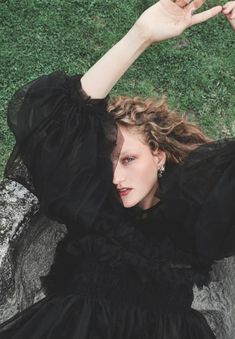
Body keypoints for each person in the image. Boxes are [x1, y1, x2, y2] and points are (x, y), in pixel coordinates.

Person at [0, 0, 235, 338]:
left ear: (159, 155)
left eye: (128, 159)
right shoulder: (92, 208)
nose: (114, 177)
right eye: (107, 162)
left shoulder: (192, 218)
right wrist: (139, 36)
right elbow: (61, 116)